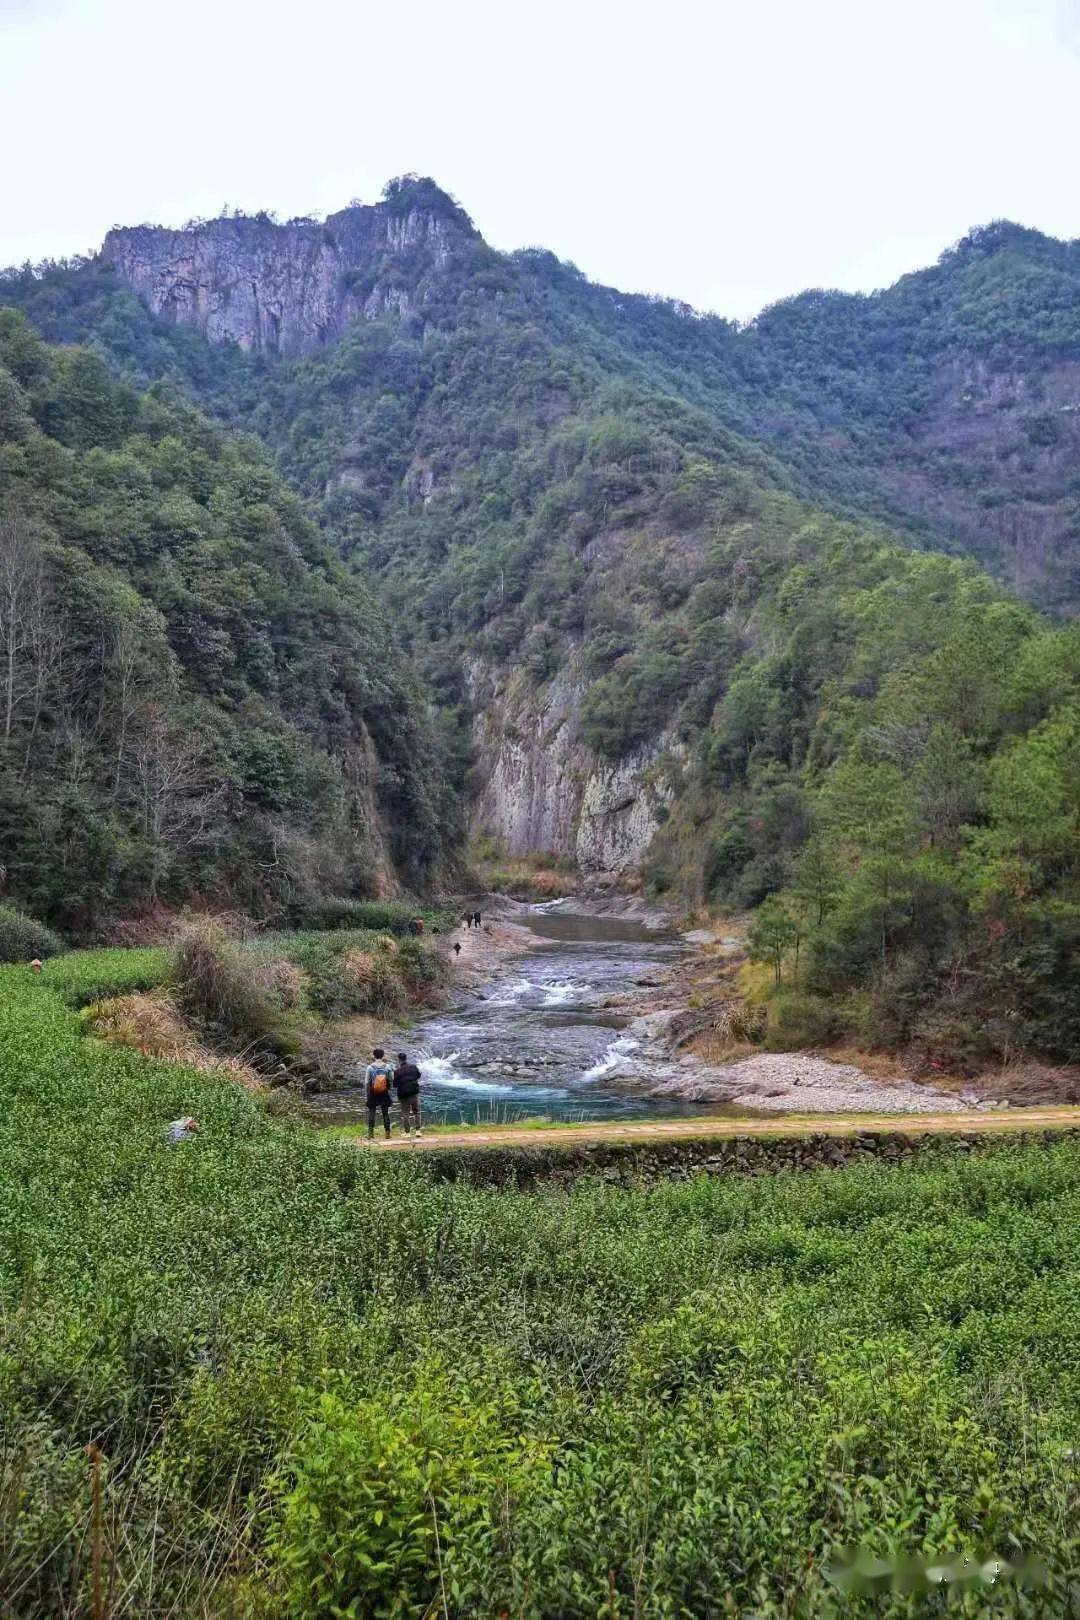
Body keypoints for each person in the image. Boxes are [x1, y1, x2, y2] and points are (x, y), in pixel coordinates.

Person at [365, 1048, 394, 1140]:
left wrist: (367, 1095)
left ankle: (370, 1134)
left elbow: (367, 1082)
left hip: (373, 1092)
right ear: (383, 1055)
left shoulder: (370, 1067)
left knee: (372, 1112)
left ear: (374, 1056)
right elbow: (391, 1079)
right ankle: (387, 1133)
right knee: (385, 1113)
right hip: (384, 1092)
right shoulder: (387, 1067)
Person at [394, 1051, 423, 1138]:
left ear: (399, 1060)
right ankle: (418, 1131)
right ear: (406, 1058)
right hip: (414, 1092)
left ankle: (407, 1133)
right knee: (416, 1112)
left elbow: (395, 1085)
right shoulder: (414, 1067)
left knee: (405, 1113)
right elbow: (418, 1076)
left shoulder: (397, 1071)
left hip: (403, 1095)